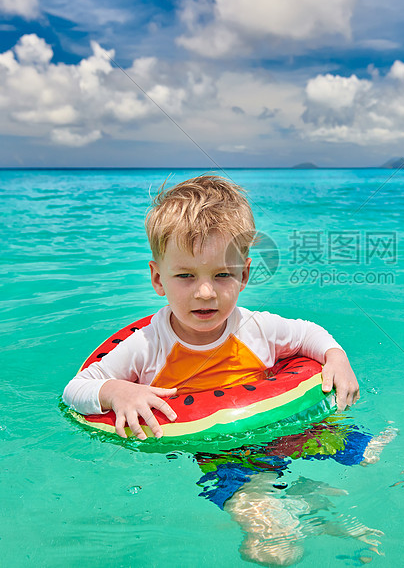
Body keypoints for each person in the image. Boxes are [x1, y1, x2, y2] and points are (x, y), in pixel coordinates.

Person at [63, 174, 360, 440]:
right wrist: (117, 391)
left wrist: (336, 357)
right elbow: (75, 389)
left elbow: (309, 334)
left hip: (280, 423)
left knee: (359, 455)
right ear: (158, 279)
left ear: (243, 275)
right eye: (185, 276)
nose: (205, 293)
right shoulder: (146, 345)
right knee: (250, 498)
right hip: (215, 450)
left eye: (222, 275)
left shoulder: (256, 328)